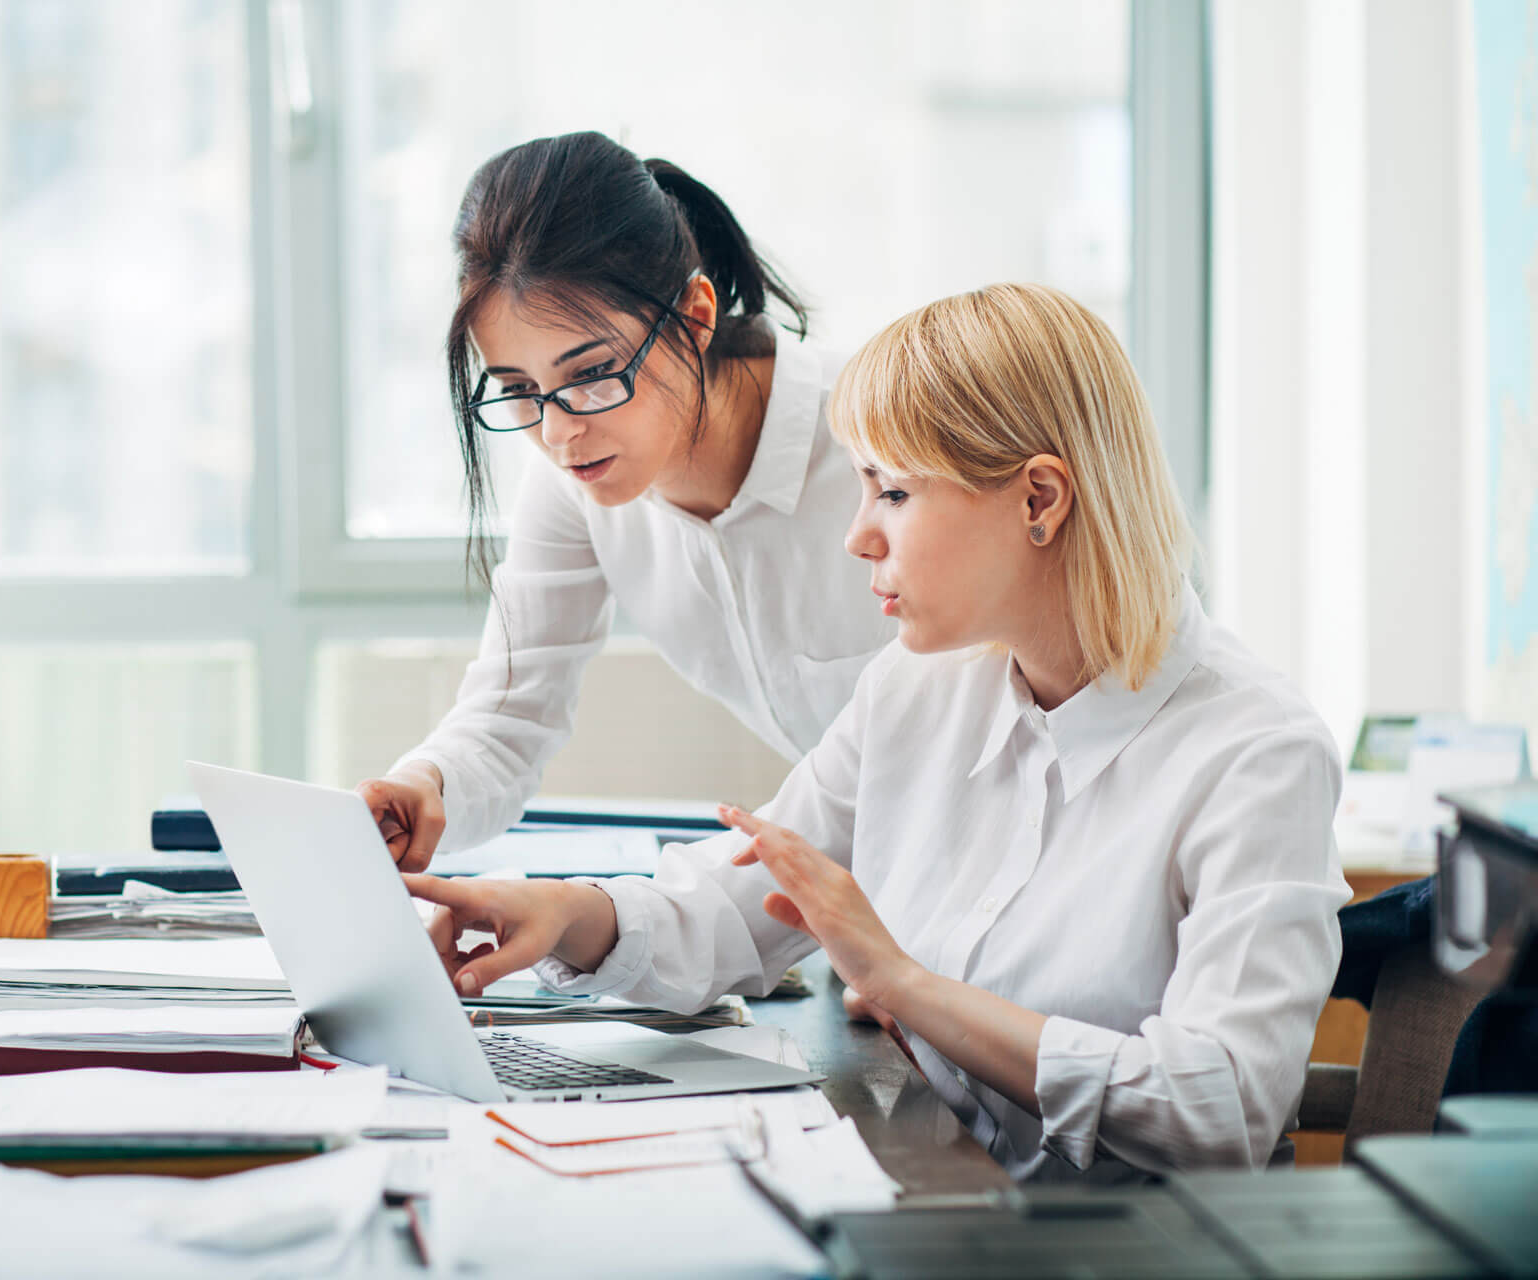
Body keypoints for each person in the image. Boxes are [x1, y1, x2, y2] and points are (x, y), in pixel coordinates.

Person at [404, 284, 1352, 1182]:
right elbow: (743, 907)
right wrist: (567, 913)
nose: (858, 536)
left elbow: (1221, 1106)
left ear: (1039, 500)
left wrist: (906, 985)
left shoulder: (1257, 753)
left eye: (892, 493)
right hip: (944, 1206)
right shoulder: (917, 688)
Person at [355, 131, 893, 871]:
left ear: (696, 316)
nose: (558, 431)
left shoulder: (883, 441)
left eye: (594, 372)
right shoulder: (574, 482)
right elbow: (509, 713)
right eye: (518, 389)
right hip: (877, 899)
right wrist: (425, 784)